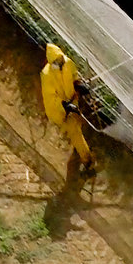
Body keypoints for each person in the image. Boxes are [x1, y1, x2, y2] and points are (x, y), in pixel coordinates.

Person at [41, 44, 93, 178]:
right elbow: (50, 98)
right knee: (75, 132)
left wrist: (80, 85)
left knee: (77, 125)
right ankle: (87, 160)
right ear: (52, 62)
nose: (61, 63)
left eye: (61, 60)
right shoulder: (47, 75)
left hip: (72, 100)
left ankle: (81, 150)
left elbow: (74, 77)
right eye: (58, 62)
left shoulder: (68, 63)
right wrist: (65, 106)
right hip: (60, 110)